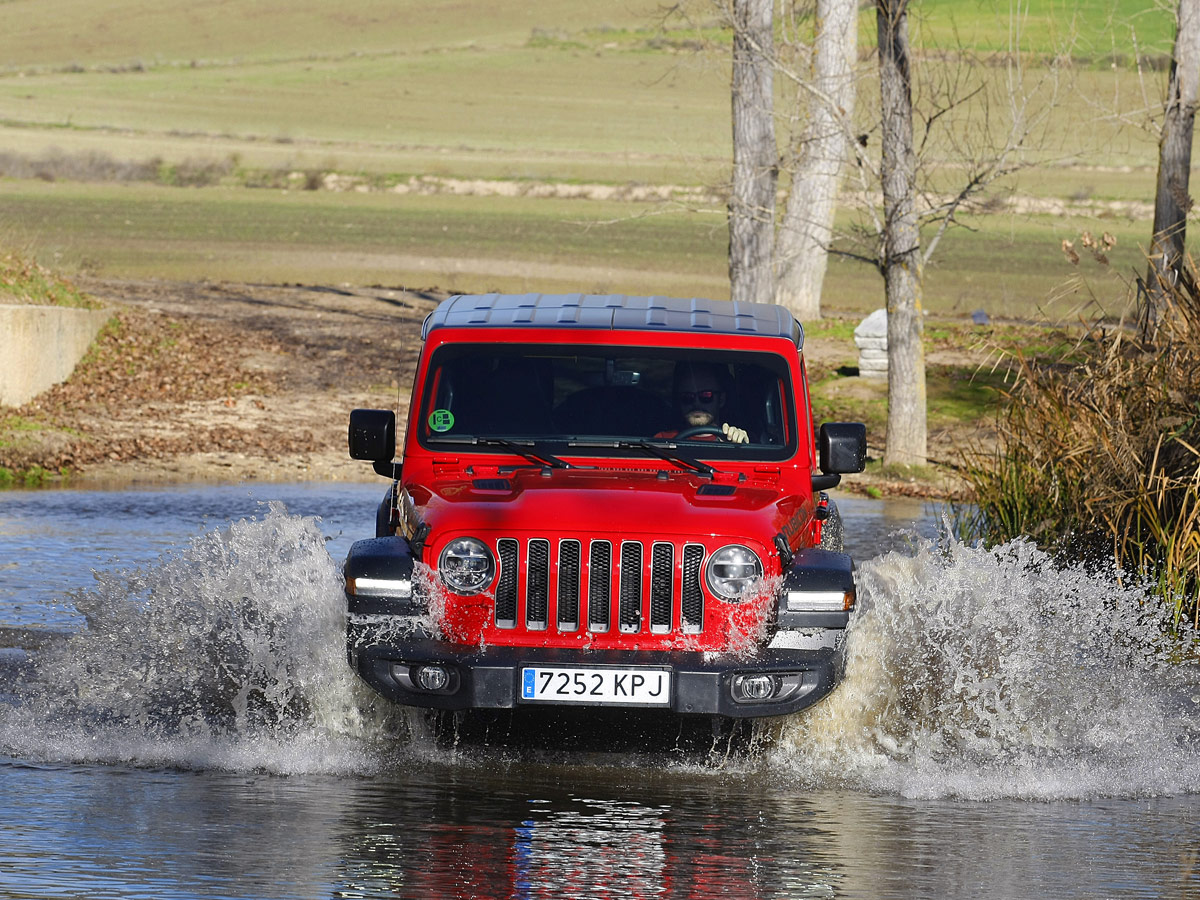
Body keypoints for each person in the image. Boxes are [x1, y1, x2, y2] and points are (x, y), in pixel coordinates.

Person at [657, 361, 748, 443]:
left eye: (706, 396)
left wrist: (739, 443)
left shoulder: (733, 441)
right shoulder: (663, 440)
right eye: (687, 397)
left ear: (721, 399)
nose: (696, 403)